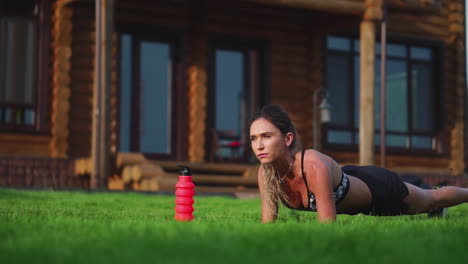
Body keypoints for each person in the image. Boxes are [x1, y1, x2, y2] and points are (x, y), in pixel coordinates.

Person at [249, 104, 468, 223]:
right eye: (253, 138)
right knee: (429, 201)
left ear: (287, 139)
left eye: (266, 136)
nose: (259, 145)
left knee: (430, 199)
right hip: (349, 179)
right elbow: (269, 224)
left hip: (376, 188)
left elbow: (327, 226)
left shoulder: (312, 165)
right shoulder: (266, 172)